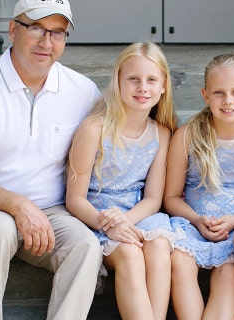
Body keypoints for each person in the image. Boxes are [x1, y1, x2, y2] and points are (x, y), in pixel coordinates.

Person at [0, 1, 103, 319]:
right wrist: (17, 204)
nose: (47, 42)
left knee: (86, 246)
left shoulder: (84, 92)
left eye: (58, 33)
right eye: (37, 29)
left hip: (52, 212)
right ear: (13, 29)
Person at [65, 42, 180, 320]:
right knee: (129, 254)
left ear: (163, 86)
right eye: (133, 79)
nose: (142, 87)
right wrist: (111, 224)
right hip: (97, 216)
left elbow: (154, 198)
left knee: (159, 244)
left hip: (137, 213)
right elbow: (74, 199)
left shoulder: (161, 133)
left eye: (151, 79)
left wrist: (126, 220)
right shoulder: (95, 129)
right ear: (118, 82)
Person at [163, 54, 234, 320]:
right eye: (219, 92)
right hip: (191, 223)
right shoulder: (187, 135)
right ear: (205, 94)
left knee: (228, 273)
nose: (228, 101)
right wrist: (195, 219)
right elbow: (170, 196)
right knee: (179, 263)